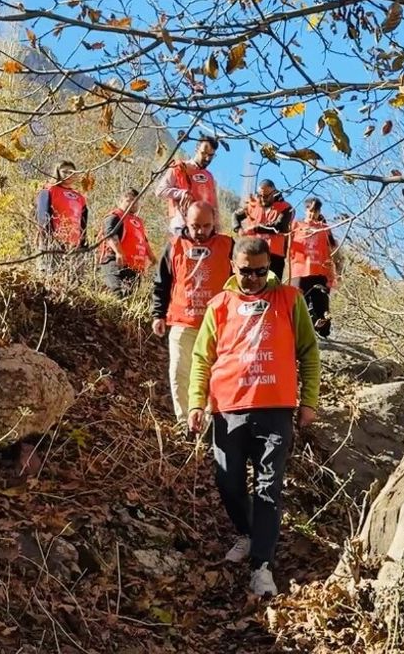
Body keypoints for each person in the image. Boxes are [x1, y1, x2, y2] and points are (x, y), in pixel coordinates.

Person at [188, 237, 319, 597]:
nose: (254, 278)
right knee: (228, 482)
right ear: (233, 265)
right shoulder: (219, 305)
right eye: (246, 271)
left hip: (275, 408)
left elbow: (308, 351)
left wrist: (308, 400)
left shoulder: (290, 300)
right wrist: (196, 403)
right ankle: (248, 533)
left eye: (262, 271)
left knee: (268, 487)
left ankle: (262, 565)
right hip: (228, 408)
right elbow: (202, 359)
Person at [152, 202, 234, 428]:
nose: (201, 231)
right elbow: (162, 282)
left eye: (206, 225)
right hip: (182, 321)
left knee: (214, 375)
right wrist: (158, 313)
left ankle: (210, 422)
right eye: (195, 225)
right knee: (180, 372)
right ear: (186, 222)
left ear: (214, 222)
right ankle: (184, 422)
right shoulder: (174, 245)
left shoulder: (228, 245)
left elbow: (243, 280)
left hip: (218, 325)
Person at [289, 197, 340, 337]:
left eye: (315, 211)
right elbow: (284, 239)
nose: (312, 214)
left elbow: (334, 249)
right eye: (310, 210)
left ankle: (323, 331)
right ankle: (298, 333)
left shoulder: (324, 229)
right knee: (298, 303)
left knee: (321, 303)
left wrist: (334, 273)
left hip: (320, 271)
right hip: (299, 271)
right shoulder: (296, 225)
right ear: (306, 210)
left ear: (319, 212)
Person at [156, 136, 221, 236]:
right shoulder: (179, 167)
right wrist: (181, 193)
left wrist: (217, 228)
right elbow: (160, 191)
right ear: (196, 149)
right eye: (204, 153)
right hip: (182, 226)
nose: (207, 158)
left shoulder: (209, 177)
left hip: (205, 231)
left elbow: (214, 206)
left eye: (211, 155)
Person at [98, 188, 157, 297]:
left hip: (134, 266)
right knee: (116, 293)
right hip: (115, 262)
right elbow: (110, 235)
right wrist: (118, 253)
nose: (133, 203)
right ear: (120, 201)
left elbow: (143, 240)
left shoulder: (138, 221)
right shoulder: (114, 216)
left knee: (130, 296)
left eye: (136, 201)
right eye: (129, 200)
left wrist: (152, 256)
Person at [36, 161, 88, 275]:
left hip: (74, 245)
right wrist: (49, 238)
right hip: (53, 241)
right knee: (51, 275)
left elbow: (83, 221)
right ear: (58, 172)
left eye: (71, 172)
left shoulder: (80, 197)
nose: (68, 174)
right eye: (64, 172)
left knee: (73, 279)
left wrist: (83, 242)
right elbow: (42, 216)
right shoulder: (49, 190)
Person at [234, 179, 293, 280]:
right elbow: (235, 215)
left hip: (275, 256)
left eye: (266, 196)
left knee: (272, 287)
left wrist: (256, 228)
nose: (262, 199)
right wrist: (238, 229)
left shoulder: (286, 207)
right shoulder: (253, 205)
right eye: (260, 195)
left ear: (274, 193)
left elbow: (279, 227)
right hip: (253, 253)